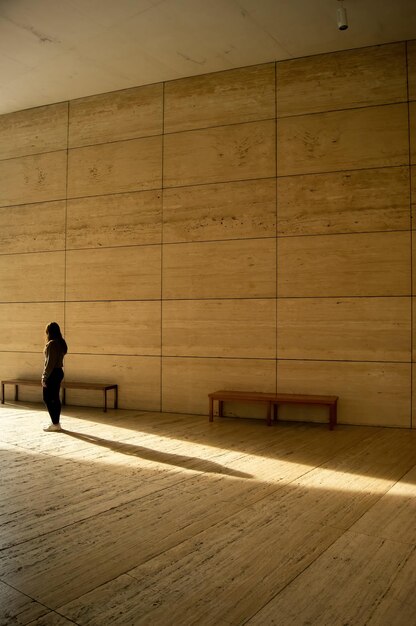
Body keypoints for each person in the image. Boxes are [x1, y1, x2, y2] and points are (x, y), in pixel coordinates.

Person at [42, 322, 68, 432]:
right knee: (55, 398)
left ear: (49, 332)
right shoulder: (61, 343)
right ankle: (56, 422)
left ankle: (55, 423)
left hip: (52, 373)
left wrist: (44, 376)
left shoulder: (52, 344)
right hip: (58, 372)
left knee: (47, 398)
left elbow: (50, 363)